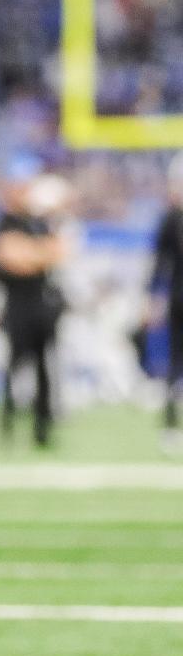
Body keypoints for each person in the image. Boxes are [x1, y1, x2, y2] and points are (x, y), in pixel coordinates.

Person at [0, 161, 67, 448]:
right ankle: (8, 424)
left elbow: (60, 252)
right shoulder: (5, 222)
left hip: (41, 305)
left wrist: (32, 253)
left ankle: (42, 427)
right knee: (15, 364)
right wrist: (39, 254)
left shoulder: (39, 221)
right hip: (17, 305)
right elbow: (11, 258)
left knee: (45, 368)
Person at [148, 152, 183, 455]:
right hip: (178, 298)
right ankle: (171, 424)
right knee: (173, 364)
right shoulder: (171, 218)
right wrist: (154, 298)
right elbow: (161, 263)